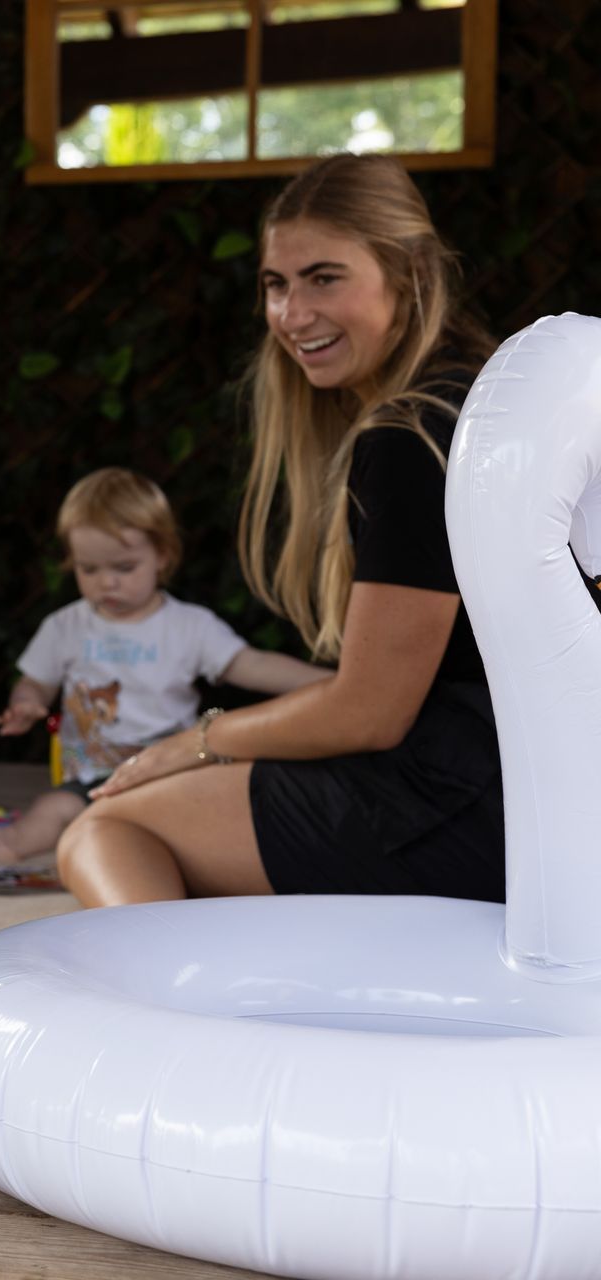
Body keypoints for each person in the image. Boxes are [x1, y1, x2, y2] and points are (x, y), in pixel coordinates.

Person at [54, 153, 503, 907]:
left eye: (324, 278)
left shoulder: (411, 435)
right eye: (275, 284)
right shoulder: (481, 395)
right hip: (522, 786)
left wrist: (199, 741)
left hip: (466, 807)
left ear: (411, 275)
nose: (292, 315)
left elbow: (370, 710)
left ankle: (172, 1025)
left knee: (106, 832)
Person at [0, 467, 326, 863]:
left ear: (162, 555)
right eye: (88, 569)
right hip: (93, 782)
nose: (106, 583)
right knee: (55, 809)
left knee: (215, 802)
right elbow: (35, 683)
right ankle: (6, 844)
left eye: (124, 568)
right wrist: (26, 703)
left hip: (171, 774)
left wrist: (332, 684)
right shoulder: (66, 626)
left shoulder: (189, 626)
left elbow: (252, 663)